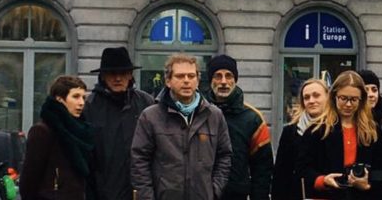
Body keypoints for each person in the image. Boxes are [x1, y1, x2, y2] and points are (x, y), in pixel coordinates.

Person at [130, 53, 233, 200]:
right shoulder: (150, 117)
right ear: (168, 81)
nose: (186, 81)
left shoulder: (214, 116)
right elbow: (139, 161)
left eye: (191, 76)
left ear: (198, 80)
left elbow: (225, 156)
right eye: (180, 76)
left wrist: (214, 190)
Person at [303, 71, 382, 199]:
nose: (348, 104)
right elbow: (303, 168)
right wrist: (323, 180)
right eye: (343, 98)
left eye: (354, 100)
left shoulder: (373, 132)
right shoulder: (317, 131)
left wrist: (368, 183)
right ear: (334, 97)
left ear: (362, 101)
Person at [84, 47, 156, 200]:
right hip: (102, 192)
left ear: (130, 75)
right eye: (112, 73)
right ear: (103, 76)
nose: (118, 78)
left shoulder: (146, 103)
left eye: (122, 73)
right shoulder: (89, 106)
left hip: (142, 191)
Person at [204, 55, 273, 200]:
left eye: (228, 76)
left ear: (235, 80)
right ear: (210, 80)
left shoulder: (253, 119)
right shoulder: (197, 113)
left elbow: (262, 170)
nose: (223, 82)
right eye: (218, 76)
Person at [21, 75, 95, 200]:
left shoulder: (82, 131)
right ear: (59, 99)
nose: (81, 103)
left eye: (83, 97)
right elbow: (29, 180)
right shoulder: (43, 131)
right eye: (75, 97)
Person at [272, 79, 331, 200]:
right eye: (306, 97)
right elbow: (280, 174)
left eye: (316, 95)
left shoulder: (335, 129)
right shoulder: (290, 132)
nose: (311, 101)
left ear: (327, 97)